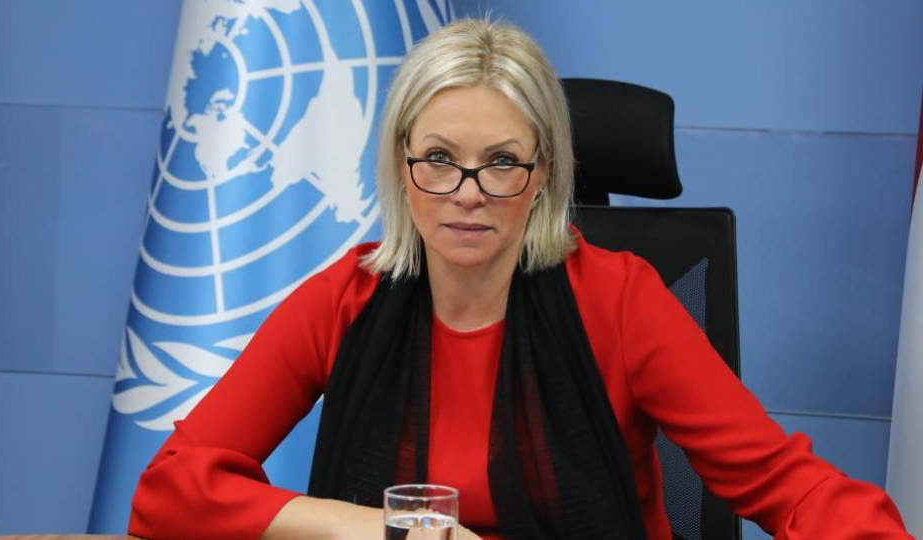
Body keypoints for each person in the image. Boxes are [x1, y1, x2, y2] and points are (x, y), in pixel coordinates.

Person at [129, 17, 913, 540]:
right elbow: (169, 491)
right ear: (401, 168)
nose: (467, 193)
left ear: (543, 175)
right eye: (440, 158)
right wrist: (365, 527)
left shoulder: (621, 302)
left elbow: (791, 487)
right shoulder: (347, 298)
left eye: (502, 161)